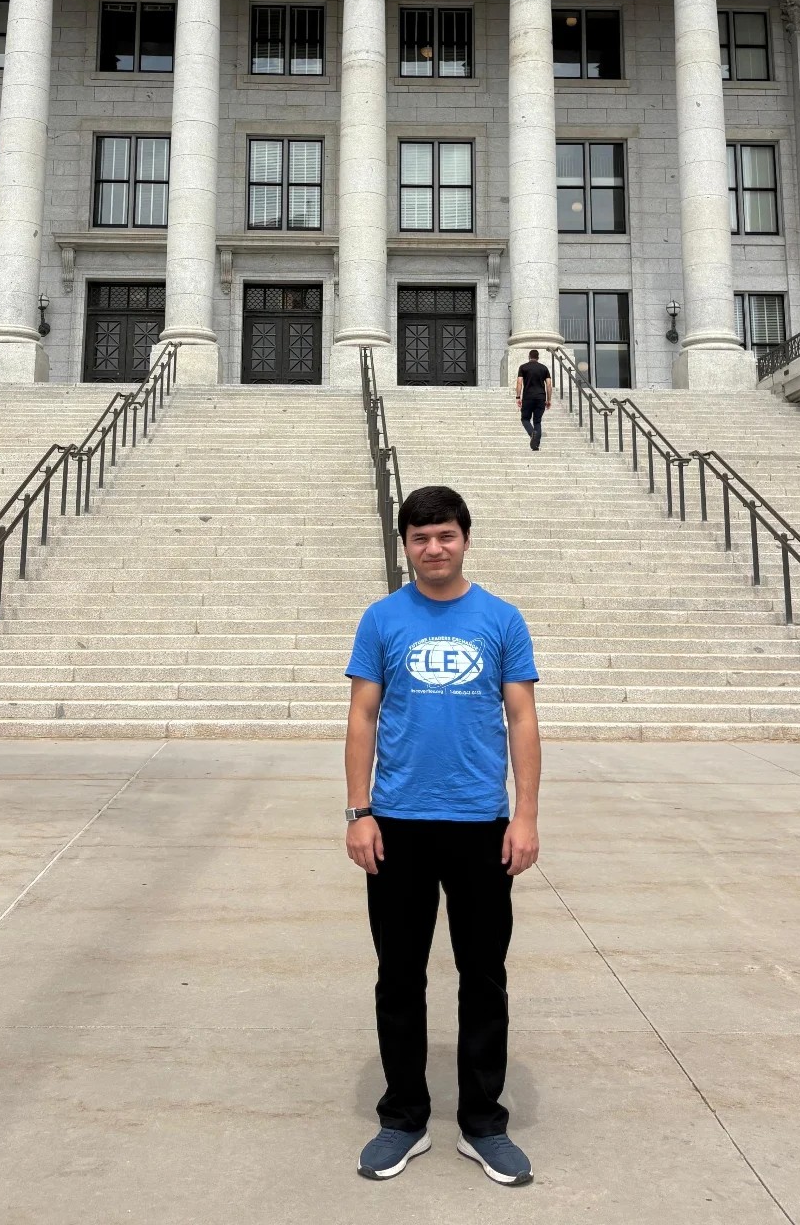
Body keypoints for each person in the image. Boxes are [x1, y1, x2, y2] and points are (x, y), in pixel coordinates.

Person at [344, 485, 541, 1187]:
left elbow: (521, 718)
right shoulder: (382, 619)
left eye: (445, 535)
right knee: (399, 975)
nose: (433, 548)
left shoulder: (501, 618)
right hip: (396, 823)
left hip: (480, 824)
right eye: (420, 537)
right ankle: (403, 1117)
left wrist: (526, 815)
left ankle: (483, 1123)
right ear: (405, 544)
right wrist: (358, 810)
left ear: (465, 538)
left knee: (483, 976)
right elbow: (363, 716)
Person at [514, 350, 552, 451]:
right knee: (537, 421)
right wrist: (549, 400)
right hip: (540, 397)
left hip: (528, 397)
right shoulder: (544, 368)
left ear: (529, 356)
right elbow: (548, 385)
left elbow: (519, 383)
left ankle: (532, 433)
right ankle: (535, 445)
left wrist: (518, 397)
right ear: (538, 357)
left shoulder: (523, 367)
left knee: (525, 419)